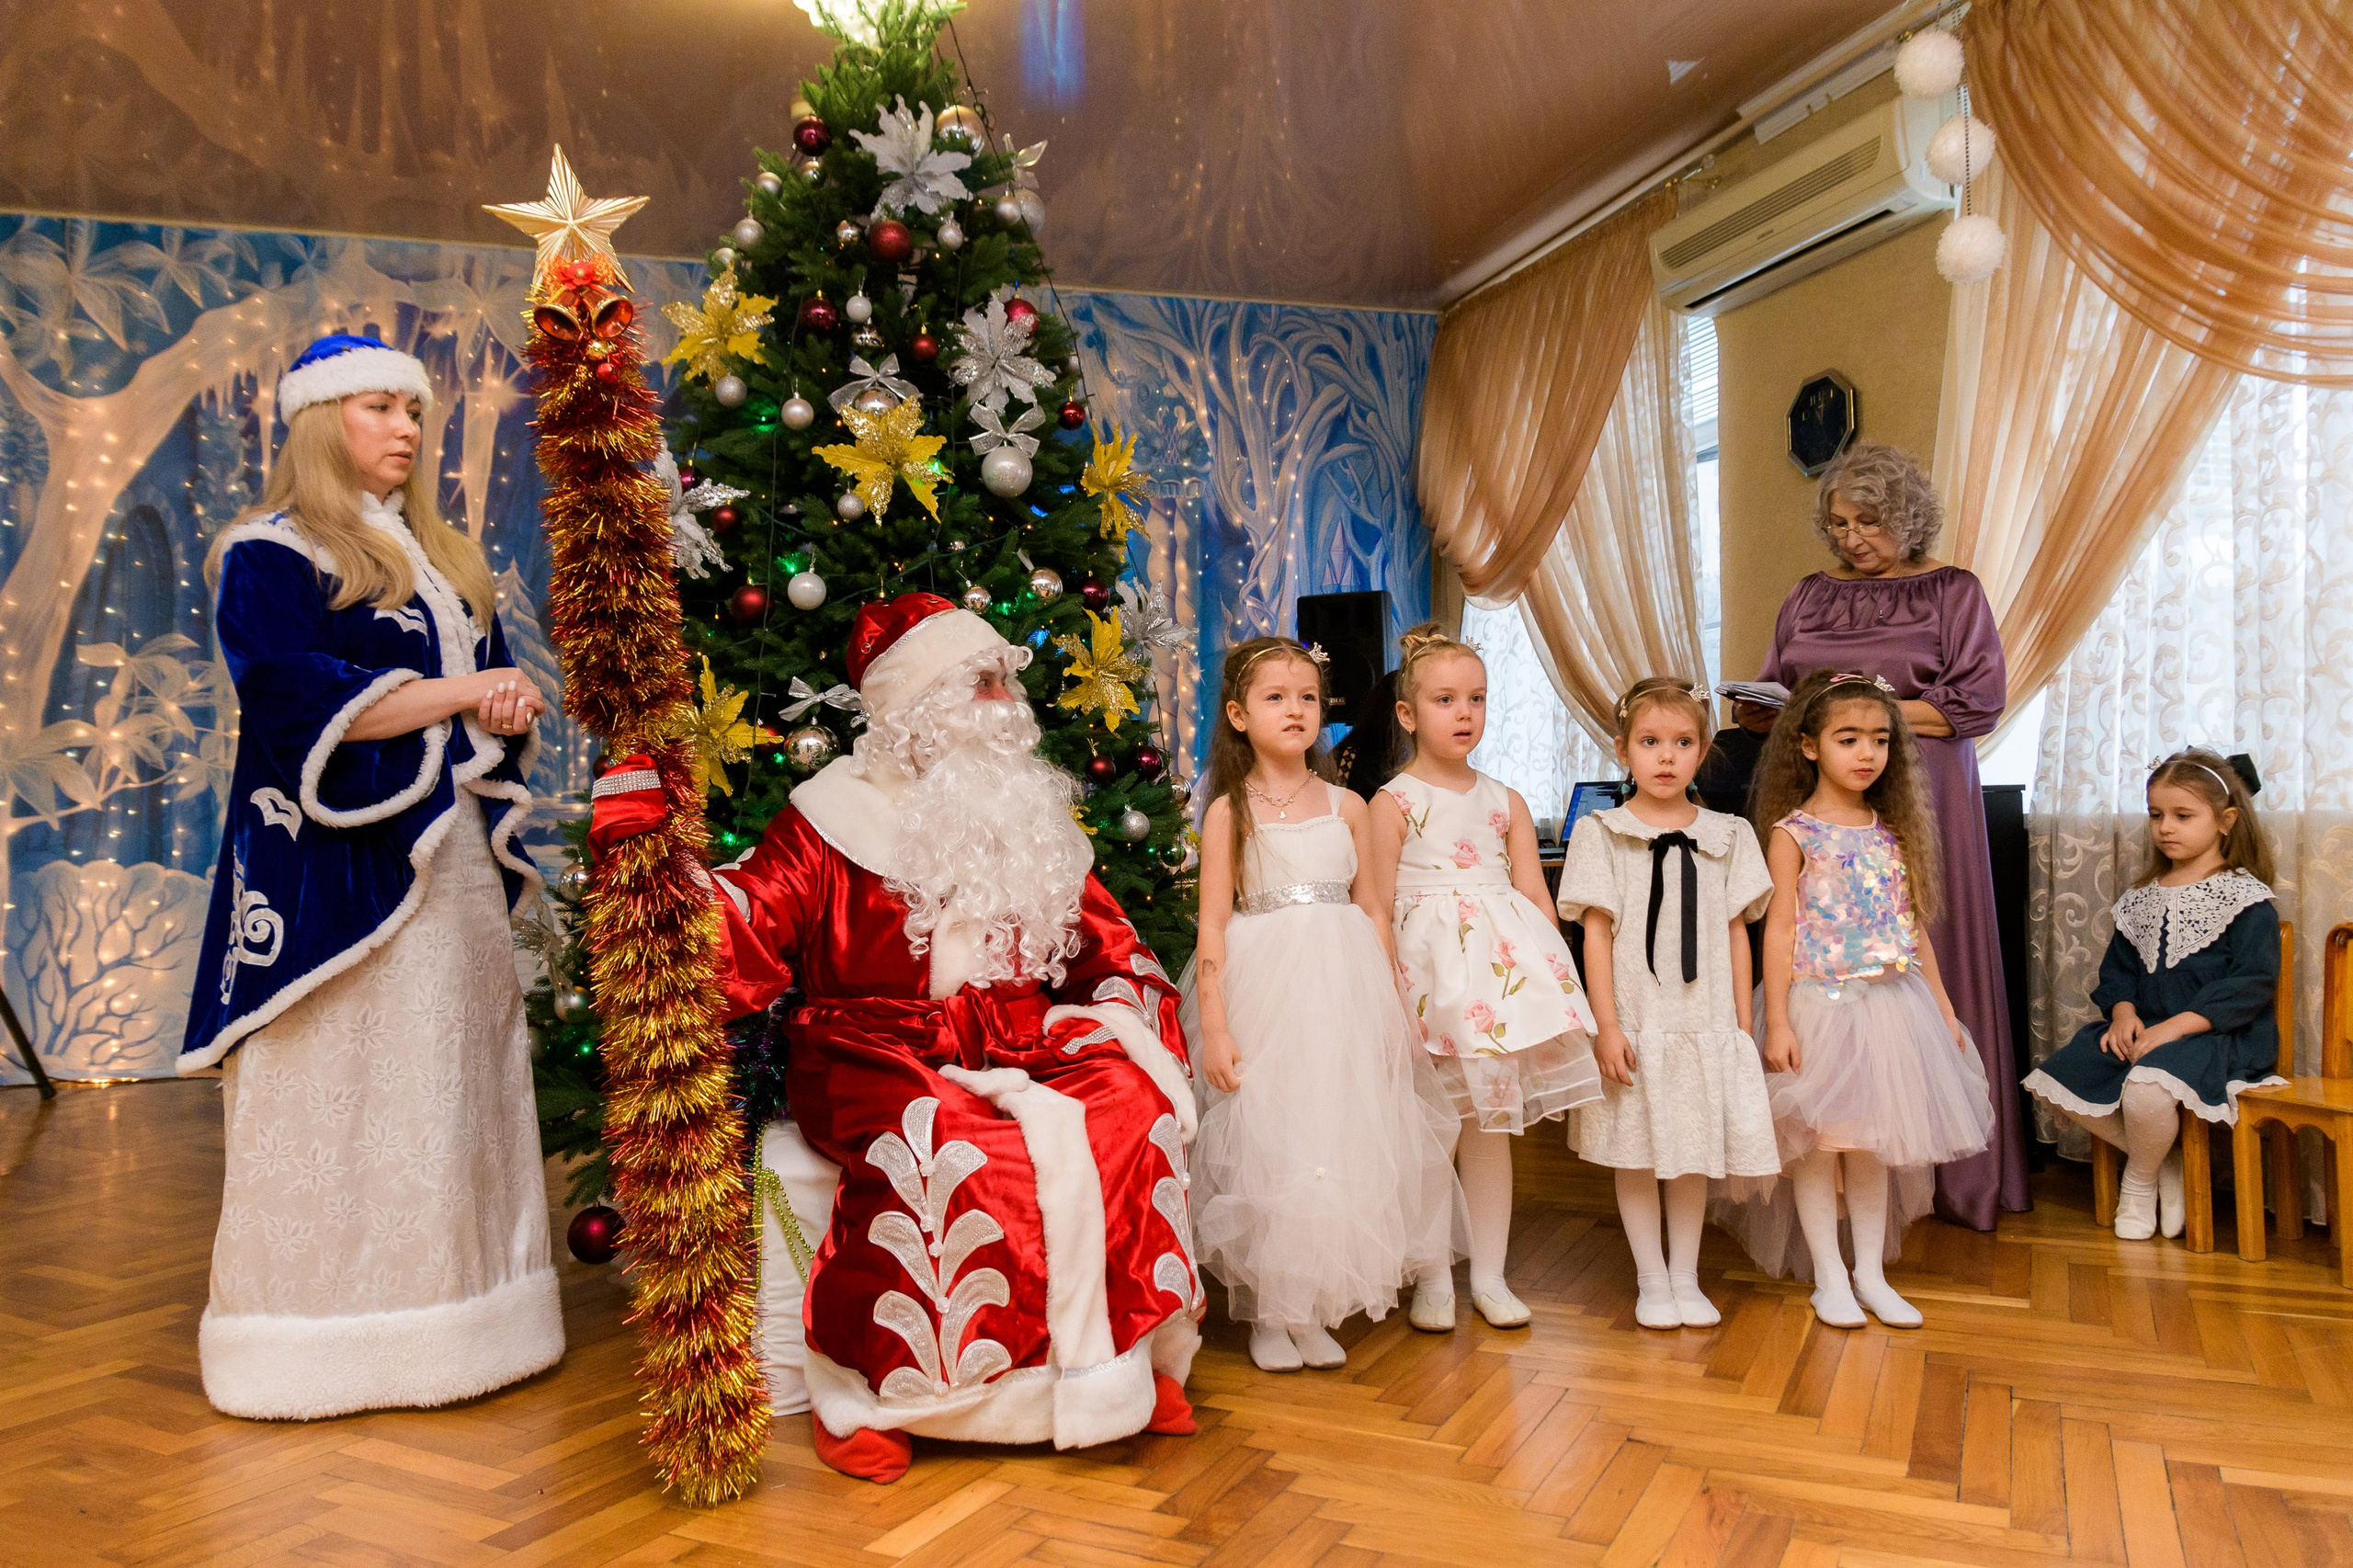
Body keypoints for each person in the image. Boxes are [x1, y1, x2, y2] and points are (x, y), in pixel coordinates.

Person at [593, 591, 1199, 1484]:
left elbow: (1107, 949)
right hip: (876, 1046)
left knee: (1126, 1101)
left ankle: (1126, 1361)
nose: (1001, 697)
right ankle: (881, 1392)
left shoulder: (1033, 816)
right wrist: (652, 860)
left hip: (1024, 1037)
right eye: (976, 680)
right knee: (948, 1140)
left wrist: (1122, 1017)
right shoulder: (829, 815)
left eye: (1003, 679)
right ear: (911, 703)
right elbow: (747, 922)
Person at [179, 334, 563, 1418]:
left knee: (454, 1082)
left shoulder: (441, 559)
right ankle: (311, 1336)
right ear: (319, 420)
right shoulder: (268, 552)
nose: (406, 429)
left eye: (413, 411)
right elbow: (296, 698)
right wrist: (460, 691)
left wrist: (500, 704)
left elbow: (464, 703)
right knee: (339, 1086)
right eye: (381, 408)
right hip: (333, 882)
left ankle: (470, 1312)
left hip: (450, 880)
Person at [1758, 442, 2026, 1229]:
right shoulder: (1808, 594)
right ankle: (1832, 1151)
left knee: (1915, 936)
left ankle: (1950, 1172)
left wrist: (1856, 710)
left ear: (1906, 518)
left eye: (1868, 523)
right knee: (1808, 934)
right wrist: (1778, 708)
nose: (1850, 538)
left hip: (1921, 787)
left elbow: (1976, 703)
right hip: (1811, 787)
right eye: (1838, 523)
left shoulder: (1953, 591)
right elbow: (1776, 683)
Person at [1180, 638, 1464, 1372]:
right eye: (1276, 697)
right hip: (1261, 990)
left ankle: (1315, 1307)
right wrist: (1213, 1022)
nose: (1295, 710)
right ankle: (1273, 1309)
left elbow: (1373, 909)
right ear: (1240, 715)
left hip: (1343, 991)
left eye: (1307, 697)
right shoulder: (1227, 813)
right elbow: (1212, 922)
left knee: (1334, 1134)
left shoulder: (1349, 805)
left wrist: (1392, 1011)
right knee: (1270, 1136)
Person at [1724, 672, 1995, 1329]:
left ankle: (1869, 1273)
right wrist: (1779, 1018)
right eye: (1849, 739)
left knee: (1873, 1146)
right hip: (1819, 1006)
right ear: (1811, 746)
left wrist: (1942, 1004)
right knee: (1819, 1146)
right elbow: (1780, 927)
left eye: (1878, 739)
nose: (1866, 753)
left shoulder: (1890, 831)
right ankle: (1828, 1278)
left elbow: (1912, 925)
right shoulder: (1794, 832)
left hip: (1893, 1008)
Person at [1368, 624, 1601, 1331]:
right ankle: (1435, 1273)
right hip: (1430, 989)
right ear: (1408, 714)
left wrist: (1559, 988)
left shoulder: (1508, 801)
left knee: (1491, 1132)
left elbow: (1533, 897)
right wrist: (1389, 999)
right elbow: (1375, 904)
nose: (1464, 713)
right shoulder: (1393, 802)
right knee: (1435, 1135)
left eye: (1476, 698)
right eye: (1445, 699)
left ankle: (1491, 1276)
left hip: (1499, 996)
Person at [1557, 677, 1781, 1331]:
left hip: (1705, 1020)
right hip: (1638, 1017)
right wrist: (1605, 1025)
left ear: (1702, 750)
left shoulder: (1730, 833)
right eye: (1650, 742)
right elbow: (1593, 932)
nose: (1665, 757)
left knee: (1692, 1151)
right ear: (1623, 748)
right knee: (1636, 1148)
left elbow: (1739, 931)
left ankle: (1686, 1275)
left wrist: (1742, 1026)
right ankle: (1650, 1279)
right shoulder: (1601, 832)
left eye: (1682, 743)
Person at [2022, 752, 2283, 1241]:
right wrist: (2122, 1015)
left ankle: (2139, 1180)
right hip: (2145, 1030)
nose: (2166, 827)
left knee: (2146, 1089)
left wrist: (2175, 1026)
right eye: (2157, 814)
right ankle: (2166, 1162)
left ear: (2226, 821)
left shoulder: (2245, 898)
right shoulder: (2141, 897)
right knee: (2055, 1081)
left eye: (2183, 816)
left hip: (2216, 1037)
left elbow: (2251, 984)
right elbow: (2118, 972)